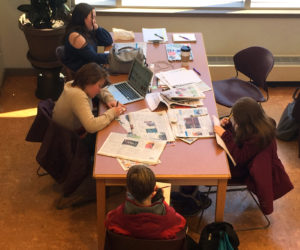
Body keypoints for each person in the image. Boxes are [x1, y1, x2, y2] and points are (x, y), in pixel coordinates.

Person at [53, 62, 125, 155]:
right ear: (89, 82)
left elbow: (101, 90)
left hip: (67, 132)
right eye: (99, 85)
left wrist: (109, 99)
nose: (100, 89)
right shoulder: (77, 95)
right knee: (109, 138)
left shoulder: (75, 84)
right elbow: (91, 126)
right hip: (71, 139)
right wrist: (113, 112)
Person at [105, 165, 187, 240]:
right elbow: (182, 224)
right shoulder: (170, 217)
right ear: (154, 189)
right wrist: (162, 201)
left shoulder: (117, 217)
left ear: (129, 190)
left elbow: (109, 221)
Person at [214, 97, 277, 179]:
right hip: (243, 160)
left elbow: (240, 157)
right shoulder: (256, 125)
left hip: (244, 170)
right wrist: (228, 127)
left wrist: (225, 135)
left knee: (213, 161)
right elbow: (239, 141)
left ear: (244, 120)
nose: (235, 121)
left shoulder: (257, 137)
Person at [63, 3, 113, 72]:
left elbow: (108, 41)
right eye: (92, 17)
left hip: (90, 69)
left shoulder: (86, 30)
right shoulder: (75, 36)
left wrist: (97, 28)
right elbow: (94, 58)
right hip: (83, 75)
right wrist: (114, 57)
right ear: (82, 18)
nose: (94, 20)